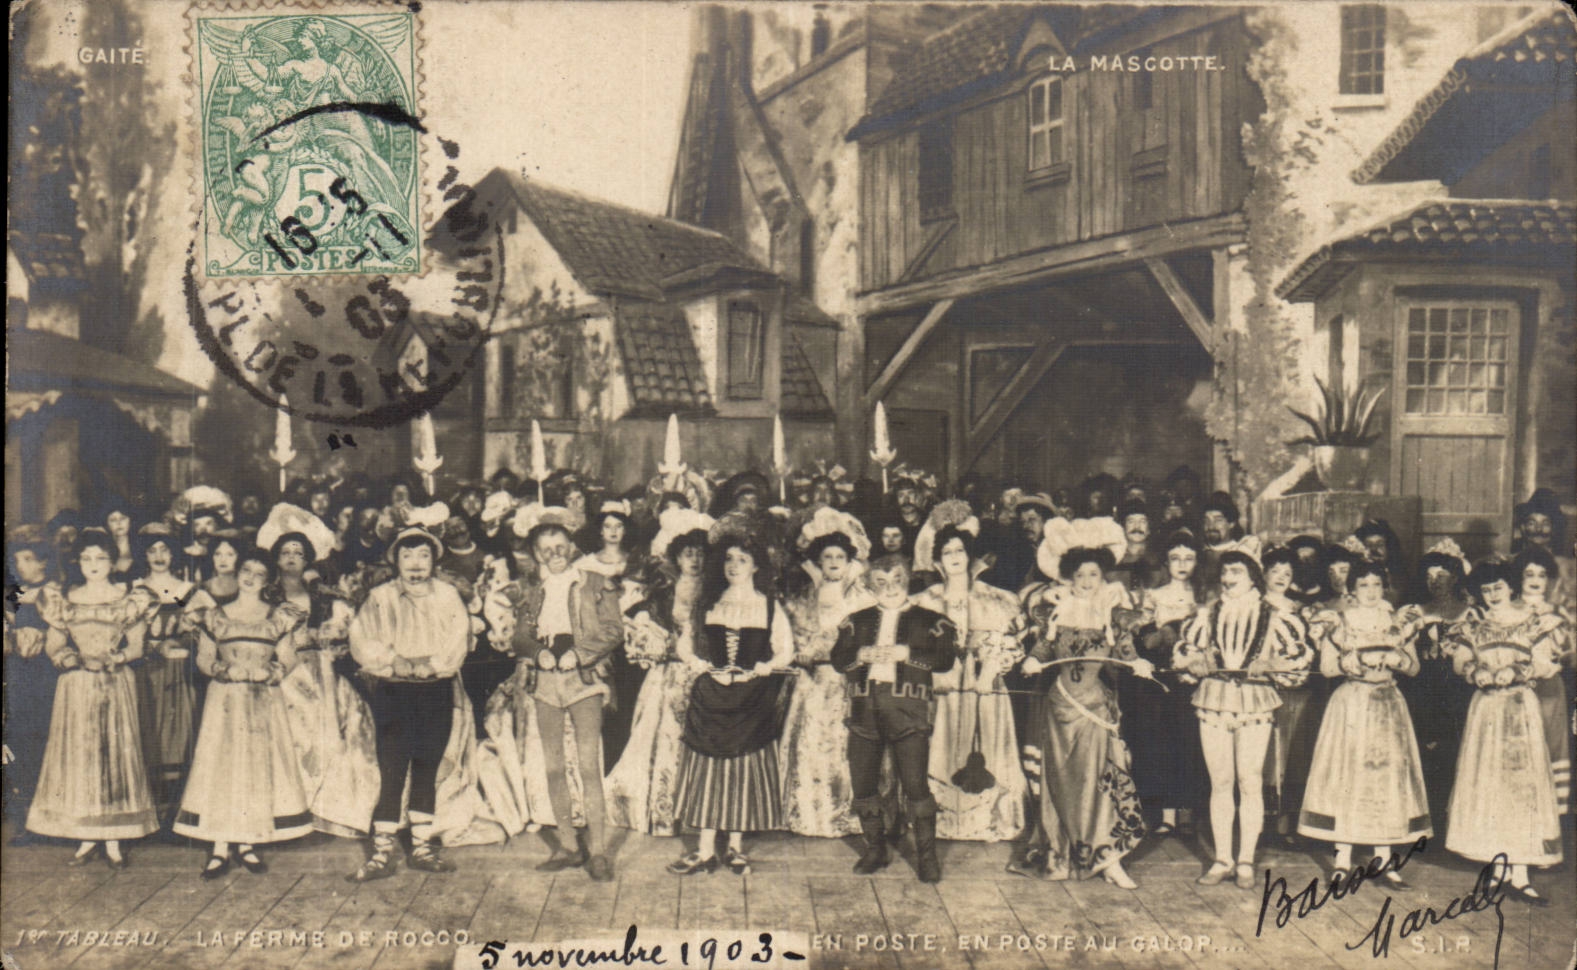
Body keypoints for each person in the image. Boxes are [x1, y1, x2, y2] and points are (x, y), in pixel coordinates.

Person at [1174, 551, 1312, 889]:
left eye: (1236, 570)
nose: (1228, 577)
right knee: (1220, 782)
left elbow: (1300, 660)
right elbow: (1184, 654)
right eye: (1224, 571)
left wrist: (1273, 664)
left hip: (1254, 701)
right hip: (1215, 698)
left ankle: (1246, 860)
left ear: (1253, 575)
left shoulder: (1275, 616)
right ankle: (1223, 859)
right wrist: (1195, 662)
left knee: (1249, 781)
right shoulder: (1207, 615)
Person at [1018, 548, 1150, 887]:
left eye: (1093, 574)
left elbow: (1125, 652)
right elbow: (1044, 650)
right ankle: (1062, 852)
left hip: (1096, 709)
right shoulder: (1055, 615)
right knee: (1064, 782)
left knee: (1099, 783)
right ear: (1069, 579)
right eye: (1079, 576)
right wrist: (1033, 660)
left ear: (1103, 577)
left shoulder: (1114, 615)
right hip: (1060, 709)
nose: (1086, 582)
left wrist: (1138, 662)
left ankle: (1109, 860)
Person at [347, 524, 473, 881]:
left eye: (423, 556)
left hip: (434, 689)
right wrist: (393, 660)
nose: (415, 564)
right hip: (394, 691)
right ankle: (383, 850)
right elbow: (361, 637)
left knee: (427, 766)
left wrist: (431, 664)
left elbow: (457, 637)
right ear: (395, 561)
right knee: (392, 766)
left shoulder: (448, 595)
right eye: (407, 556)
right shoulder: (381, 597)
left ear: (433, 560)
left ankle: (420, 846)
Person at [499, 522, 624, 881]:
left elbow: (614, 630)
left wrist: (580, 654)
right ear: (536, 554)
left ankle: (597, 852)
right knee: (553, 767)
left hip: (583, 679)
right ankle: (569, 846)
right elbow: (520, 637)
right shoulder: (531, 591)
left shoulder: (595, 583)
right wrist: (537, 653)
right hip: (545, 682)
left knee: (588, 766)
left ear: (571, 547)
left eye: (560, 547)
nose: (554, 555)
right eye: (545, 550)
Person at [26, 531, 158, 867]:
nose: (93, 565)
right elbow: (55, 645)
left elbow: (137, 646)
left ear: (112, 561)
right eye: (86, 558)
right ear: (78, 562)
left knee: (115, 754)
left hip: (114, 682)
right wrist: (69, 659)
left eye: (100, 558)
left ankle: (114, 837)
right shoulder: (64, 599)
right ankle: (86, 836)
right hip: (78, 687)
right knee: (82, 754)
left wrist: (115, 659)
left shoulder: (129, 597)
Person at [177, 550, 311, 878]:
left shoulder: (278, 617)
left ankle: (248, 843)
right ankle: (220, 847)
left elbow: (290, 658)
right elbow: (204, 658)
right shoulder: (215, 616)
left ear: (267, 581)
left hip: (263, 702)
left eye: (259, 573)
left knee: (254, 767)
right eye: (246, 570)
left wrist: (272, 673)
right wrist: (223, 669)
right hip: (225, 701)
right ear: (238, 574)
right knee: (221, 768)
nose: (250, 577)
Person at [667, 534, 794, 876]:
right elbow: (685, 645)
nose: (734, 566)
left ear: (755, 566)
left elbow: (785, 650)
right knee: (708, 769)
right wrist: (699, 665)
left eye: (742, 559)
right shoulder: (709, 602)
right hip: (713, 696)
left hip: (751, 699)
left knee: (742, 770)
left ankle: (735, 848)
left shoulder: (768, 605)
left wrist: (764, 668)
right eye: (729, 559)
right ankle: (705, 849)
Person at [1298, 563, 1431, 882]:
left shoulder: (1398, 621)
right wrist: (1354, 662)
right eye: (1364, 585)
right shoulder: (1338, 621)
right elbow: (1328, 669)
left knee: (1385, 780)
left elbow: (1414, 669)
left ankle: (1383, 858)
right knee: (1349, 776)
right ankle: (1342, 858)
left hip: (1388, 704)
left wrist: (1400, 660)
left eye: (1376, 584)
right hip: (1353, 704)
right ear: (1351, 589)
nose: (1371, 591)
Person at [1442, 560, 1565, 904]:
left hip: (1520, 708)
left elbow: (1547, 661)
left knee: (1522, 787)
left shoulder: (1533, 622)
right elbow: (1459, 660)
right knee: (1490, 783)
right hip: (1487, 710)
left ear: (1511, 587)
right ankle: (1496, 870)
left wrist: (1516, 670)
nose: (1492, 595)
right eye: (1485, 589)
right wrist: (1473, 671)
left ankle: (1522, 872)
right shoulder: (1474, 625)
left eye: (1498, 587)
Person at [832, 555, 956, 881]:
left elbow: (945, 659)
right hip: (864, 709)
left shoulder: (931, 620)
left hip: (909, 711)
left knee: (915, 784)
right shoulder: (856, 621)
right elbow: (838, 657)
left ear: (907, 581)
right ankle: (876, 849)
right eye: (881, 583)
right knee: (863, 782)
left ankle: (927, 858)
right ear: (871, 585)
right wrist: (859, 655)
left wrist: (908, 654)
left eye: (897, 581)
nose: (890, 589)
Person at [261, 505, 380, 840]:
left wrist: (323, 638)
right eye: (285, 552)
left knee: (335, 731)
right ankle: (286, 812)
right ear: (276, 558)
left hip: (322, 672)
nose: (291, 558)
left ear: (308, 559)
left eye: (298, 553)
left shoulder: (324, 596)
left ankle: (325, 809)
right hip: (283, 673)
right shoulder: (266, 596)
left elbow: (346, 631)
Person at [912, 525, 1028, 844]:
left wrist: (989, 668)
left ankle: (989, 819)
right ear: (938, 559)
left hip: (984, 685)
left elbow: (1010, 642)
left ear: (969, 555)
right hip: (943, 689)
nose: (954, 558)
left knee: (987, 744)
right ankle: (946, 821)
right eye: (947, 552)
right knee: (942, 746)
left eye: (959, 550)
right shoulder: (924, 602)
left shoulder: (996, 599)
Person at [605, 514, 711, 836]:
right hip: (668, 674)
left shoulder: (714, 590)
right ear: (676, 557)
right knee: (662, 734)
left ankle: (698, 814)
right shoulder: (663, 591)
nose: (694, 559)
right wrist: (656, 642)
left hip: (702, 673)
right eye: (687, 553)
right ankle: (663, 811)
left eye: (699, 553)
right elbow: (644, 624)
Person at [780, 527, 875, 838]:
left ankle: (845, 813)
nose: (834, 562)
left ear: (849, 561)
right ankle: (809, 814)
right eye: (827, 557)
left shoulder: (863, 598)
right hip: (813, 681)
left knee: (844, 745)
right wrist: (804, 651)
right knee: (810, 742)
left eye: (840, 557)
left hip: (849, 681)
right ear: (818, 562)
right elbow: (794, 635)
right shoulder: (804, 598)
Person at [1124, 530, 1208, 840]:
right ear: (1166, 562)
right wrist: (1161, 636)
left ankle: (1189, 813)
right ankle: (1168, 815)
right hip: (1164, 682)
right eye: (1175, 558)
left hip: (1197, 680)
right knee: (1167, 744)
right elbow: (1144, 638)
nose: (1182, 564)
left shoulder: (1205, 598)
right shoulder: (1155, 596)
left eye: (1188, 558)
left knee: (1193, 744)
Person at [131, 529, 199, 834]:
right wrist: (154, 645)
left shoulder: (188, 590)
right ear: (144, 555)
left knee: (179, 732)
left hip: (179, 673)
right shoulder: (135, 590)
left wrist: (185, 637)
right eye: (152, 551)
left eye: (165, 550)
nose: (159, 556)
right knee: (149, 733)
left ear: (174, 554)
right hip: (146, 672)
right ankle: (151, 814)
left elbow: (202, 630)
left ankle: (175, 813)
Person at [1262, 546, 1327, 845]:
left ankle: (1285, 825)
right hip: (1262, 689)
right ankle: (1262, 823)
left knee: (1290, 757)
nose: (1281, 578)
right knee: (1264, 758)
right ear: (1263, 573)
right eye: (1275, 571)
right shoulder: (1256, 606)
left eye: (1287, 574)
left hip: (1293, 693)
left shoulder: (1298, 610)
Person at [1406, 542, 1474, 818]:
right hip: (1424, 691)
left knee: (1457, 750)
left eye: (1441, 575)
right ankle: (1428, 821)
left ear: (1455, 577)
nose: (1434, 582)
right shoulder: (1416, 612)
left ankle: (1454, 822)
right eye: (1429, 576)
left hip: (1458, 691)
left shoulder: (1470, 612)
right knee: (1426, 752)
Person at [5, 530, 63, 843]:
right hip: (20, 675)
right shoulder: (13, 594)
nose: (21, 565)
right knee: (22, 741)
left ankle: (51, 820)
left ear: (43, 562)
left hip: (46, 675)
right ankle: (25, 820)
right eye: (16, 560)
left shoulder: (54, 592)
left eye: (27, 559)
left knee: (48, 738)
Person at [1513, 544, 1573, 814]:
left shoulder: (1557, 613)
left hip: (1549, 689)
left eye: (1540, 575)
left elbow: (1565, 653)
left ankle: (1552, 814)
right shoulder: (1510, 610)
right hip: (1516, 688)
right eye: (1529, 574)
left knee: (1551, 744)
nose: (1535, 580)